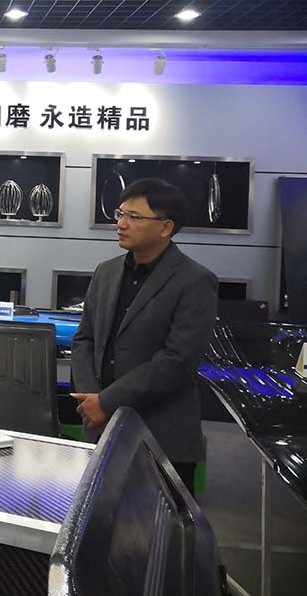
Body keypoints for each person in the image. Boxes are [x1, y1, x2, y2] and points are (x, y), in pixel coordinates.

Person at [71, 178, 218, 494]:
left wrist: (107, 402)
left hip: (161, 438)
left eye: (134, 217)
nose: (121, 224)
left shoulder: (195, 281)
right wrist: (91, 400)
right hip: (99, 427)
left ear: (166, 227)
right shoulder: (106, 271)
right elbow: (85, 340)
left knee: (160, 524)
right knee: (99, 518)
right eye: (120, 214)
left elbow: (177, 361)